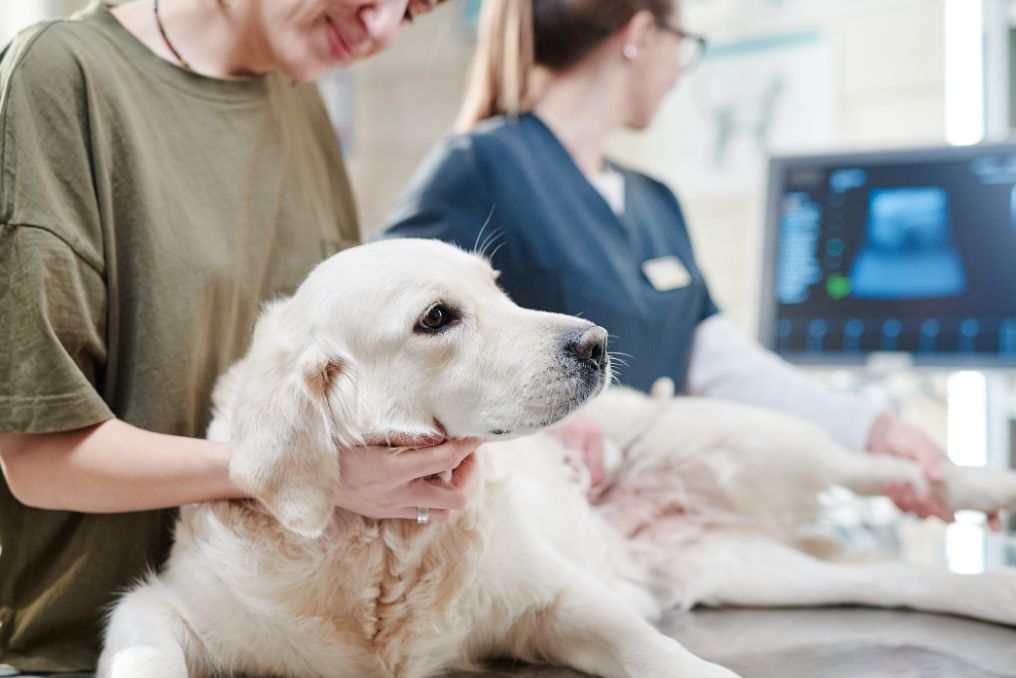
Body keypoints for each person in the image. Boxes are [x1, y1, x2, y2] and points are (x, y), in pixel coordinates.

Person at [0, 0, 479, 675]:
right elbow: (39, 458)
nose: (379, 30)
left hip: (264, 656)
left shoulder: (301, 106)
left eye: (411, 15)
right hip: (66, 668)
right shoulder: (61, 78)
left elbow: (336, 397)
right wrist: (287, 468)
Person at [382, 0, 955, 519]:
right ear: (640, 35)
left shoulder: (655, 200)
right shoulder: (479, 166)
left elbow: (719, 363)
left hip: (657, 521)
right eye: (682, 44)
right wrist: (539, 433)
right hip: (544, 529)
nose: (682, 70)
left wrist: (874, 430)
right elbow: (388, 352)